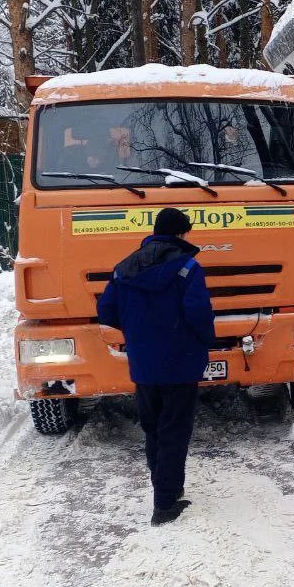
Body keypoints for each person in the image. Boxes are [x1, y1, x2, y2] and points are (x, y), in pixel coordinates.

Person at [96, 208, 215, 526]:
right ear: (180, 235)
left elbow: (106, 311)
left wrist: (138, 331)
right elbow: (198, 312)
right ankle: (164, 504)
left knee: (154, 430)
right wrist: (205, 341)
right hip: (181, 363)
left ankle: (167, 490)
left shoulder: (124, 268)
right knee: (175, 431)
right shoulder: (188, 268)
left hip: (144, 365)